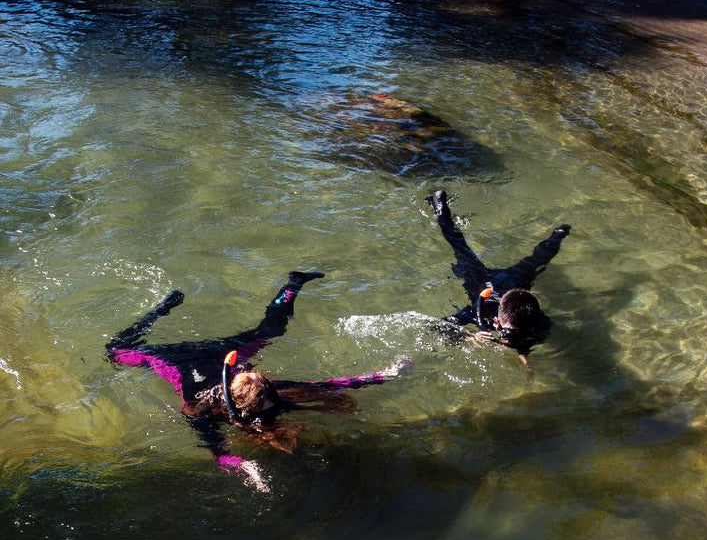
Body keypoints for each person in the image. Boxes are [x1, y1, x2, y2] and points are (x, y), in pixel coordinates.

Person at [107, 273, 411, 490]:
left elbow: (327, 384)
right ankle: (161, 308)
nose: (273, 405)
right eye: (265, 406)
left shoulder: (265, 390)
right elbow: (219, 453)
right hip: (172, 358)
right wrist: (245, 467)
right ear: (241, 405)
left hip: (220, 354)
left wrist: (383, 375)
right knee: (114, 351)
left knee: (272, 330)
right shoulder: (199, 411)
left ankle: (293, 283)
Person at [425, 188, 571, 366]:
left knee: (537, 260)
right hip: (482, 280)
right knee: (460, 246)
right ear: (496, 321)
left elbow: (539, 335)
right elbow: (437, 327)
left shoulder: (538, 322)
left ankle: (559, 234)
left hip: (513, 281)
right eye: (506, 331)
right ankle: (440, 209)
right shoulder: (481, 313)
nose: (504, 334)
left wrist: (522, 351)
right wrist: (469, 338)